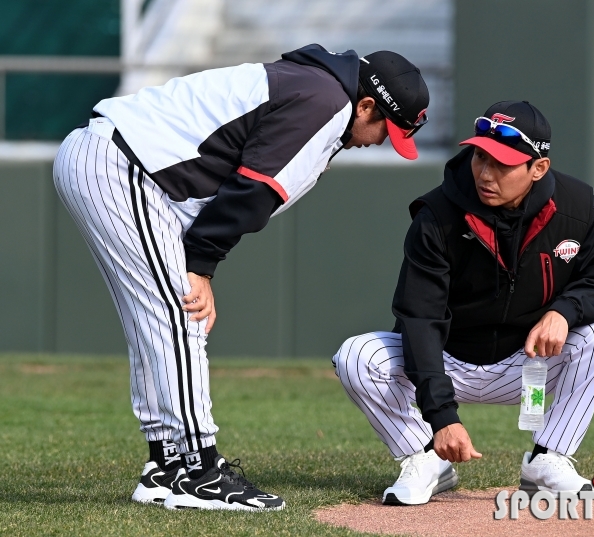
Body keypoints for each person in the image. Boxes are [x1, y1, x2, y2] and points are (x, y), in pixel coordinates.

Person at [52, 44, 429, 511]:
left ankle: (168, 466)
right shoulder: (326, 100)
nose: (378, 141)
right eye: (384, 130)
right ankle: (198, 471)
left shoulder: (317, 88)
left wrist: (199, 259)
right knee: (179, 314)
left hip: (124, 168)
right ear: (367, 104)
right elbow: (254, 187)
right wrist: (201, 264)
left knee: (160, 322)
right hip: (122, 167)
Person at [333, 100, 594, 505]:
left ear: (538, 168)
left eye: (502, 164)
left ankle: (548, 458)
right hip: (447, 358)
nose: (486, 174)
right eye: (480, 157)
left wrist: (564, 311)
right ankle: (426, 459)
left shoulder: (580, 209)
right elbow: (420, 318)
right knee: (356, 356)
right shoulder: (437, 215)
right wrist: (441, 417)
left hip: (528, 360)